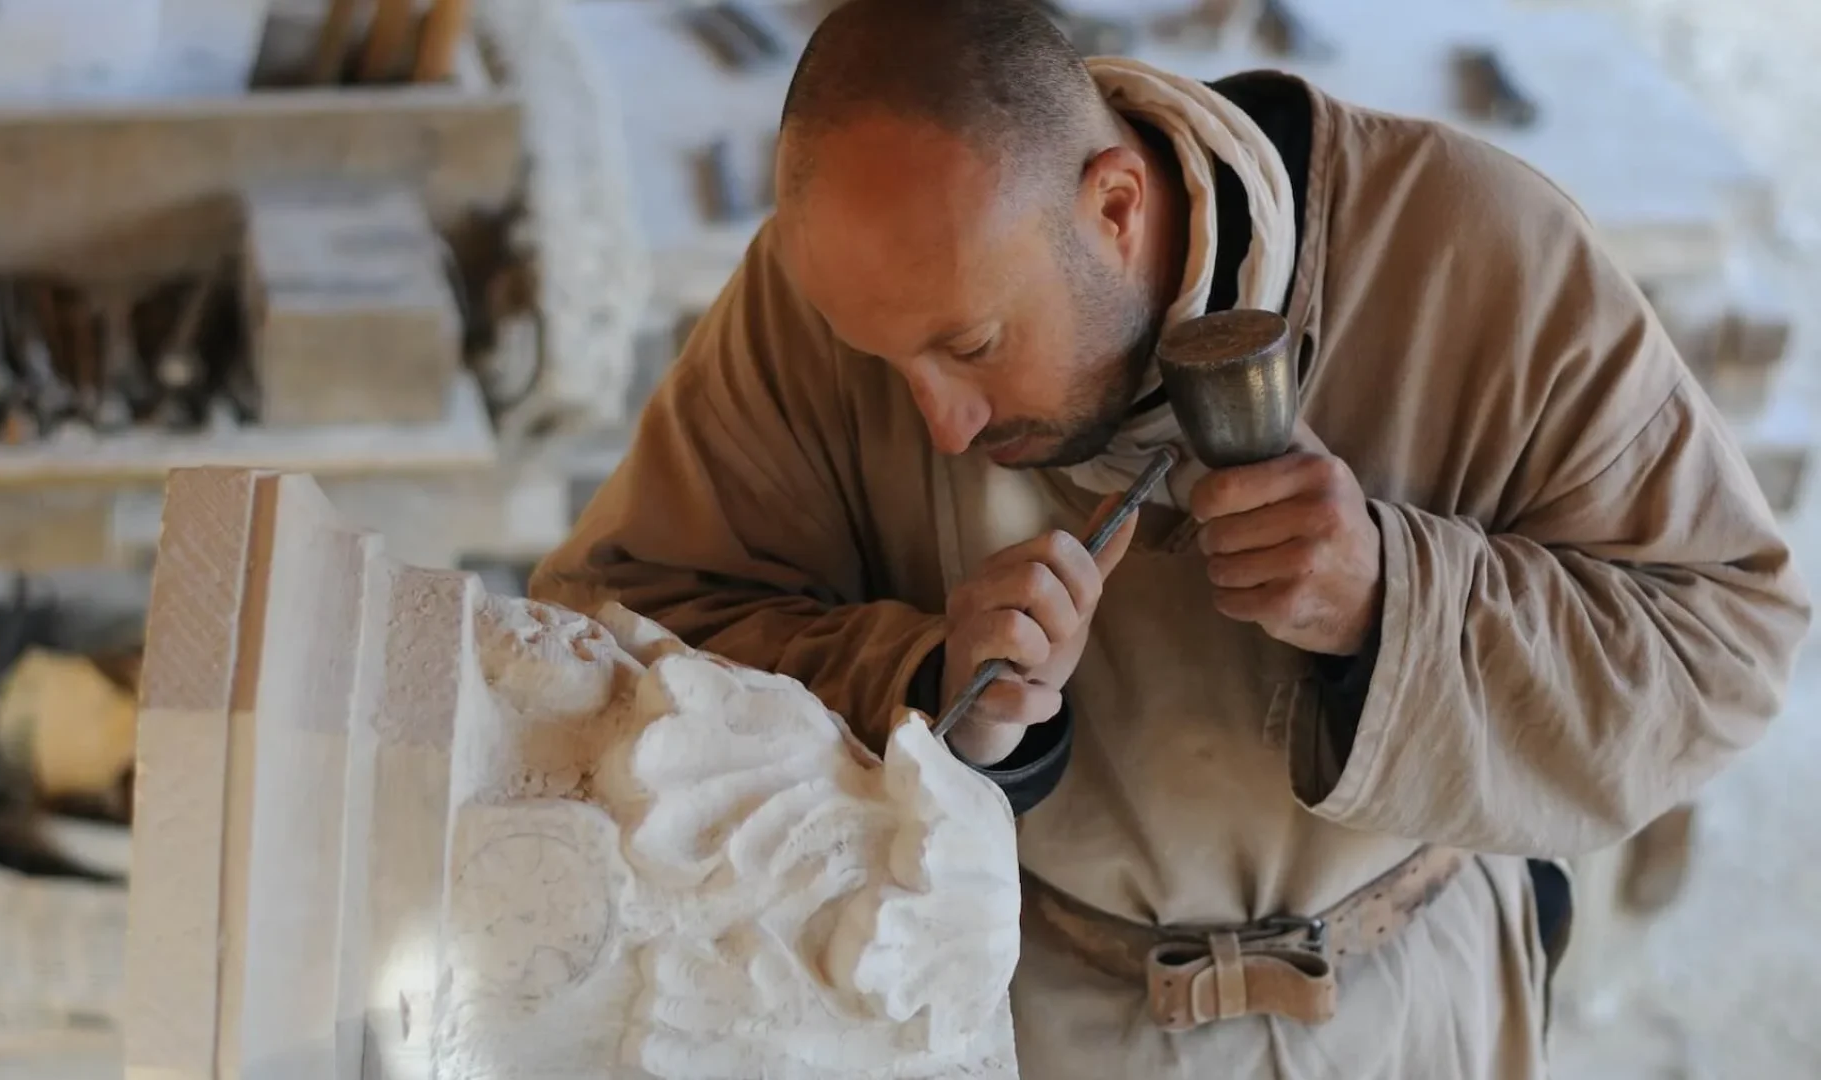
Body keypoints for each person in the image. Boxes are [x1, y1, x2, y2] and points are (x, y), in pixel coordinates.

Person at [530, 0, 1812, 1075]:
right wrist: (933, 693)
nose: (940, 421)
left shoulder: (1476, 250)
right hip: (1021, 1023)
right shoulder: (841, 295)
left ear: (1117, 204)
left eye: (973, 346)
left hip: (1402, 1014)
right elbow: (609, 632)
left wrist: (1398, 607)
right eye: (890, 362)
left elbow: (1725, 644)